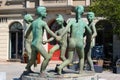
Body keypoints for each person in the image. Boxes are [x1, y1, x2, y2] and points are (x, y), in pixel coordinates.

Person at [56, 5, 92, 75]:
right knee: (81, 57)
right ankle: (81, 71)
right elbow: (90, 32)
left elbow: (66, 29)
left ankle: (60, 67)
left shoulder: (71, 21)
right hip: (79, 42)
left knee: (69, 59)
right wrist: (85, 35)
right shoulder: (83, 22)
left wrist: (60, 36)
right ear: (82, 13)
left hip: (72, 41)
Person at [24, 6, 60, 74]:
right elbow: (49, 31)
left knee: (32, 59)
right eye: (45, 12)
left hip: (33, 44)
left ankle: (28, 68)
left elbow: (27, 32)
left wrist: (26, 36)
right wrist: (56, 37)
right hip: (38, 44)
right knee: (47, 57)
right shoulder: (43, 23)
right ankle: (42, 71)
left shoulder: (33, 23)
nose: (46, 13)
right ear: (41, 13)